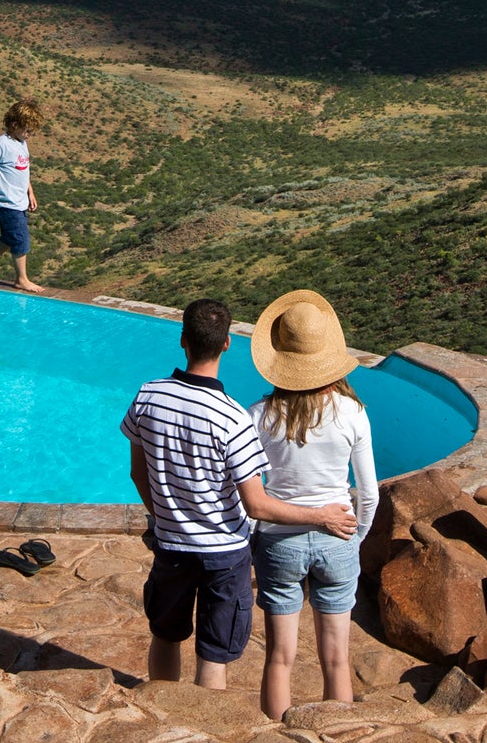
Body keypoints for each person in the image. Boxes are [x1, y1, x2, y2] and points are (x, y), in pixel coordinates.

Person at [123, 299, 358, 693]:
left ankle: (160, 713)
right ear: (227, 344)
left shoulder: (149, 396)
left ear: (183, 340)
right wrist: (321, 516)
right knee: (214, 653)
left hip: (172, 544)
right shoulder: (232, 418)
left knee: (166, 635)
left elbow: (137, 471)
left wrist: (166, 516)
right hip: (224, 554)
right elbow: (256, 504)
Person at [247, 289, 379, 720]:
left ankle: (275, 732)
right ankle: (340, 732)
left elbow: (248, 493)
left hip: (278, 542)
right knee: (337, 661)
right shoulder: (352, 413)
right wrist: (354, 540)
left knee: (279, 659)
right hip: (337, 534)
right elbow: (369, 492)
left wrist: (255, 540)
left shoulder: (259, 415)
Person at [0, 99, 45, 292]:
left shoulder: (22, 143)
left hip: (20, 200)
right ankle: (21, 279)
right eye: (27, 130)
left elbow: (23, 168)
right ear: (15, 125)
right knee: (21, 239)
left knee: (9, 237)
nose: (30, 135)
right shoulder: (1, 144)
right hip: (7, 202)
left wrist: (31, 192)